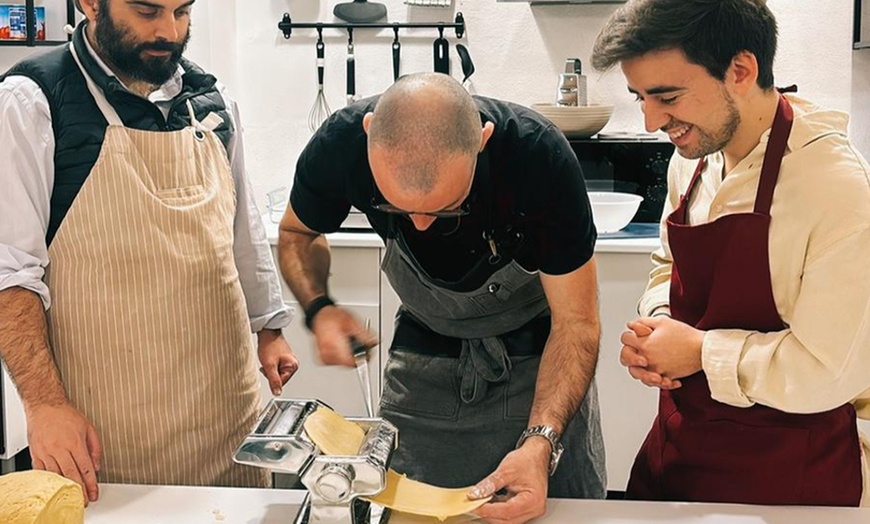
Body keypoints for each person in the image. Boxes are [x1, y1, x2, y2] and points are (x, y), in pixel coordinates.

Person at [0, 0, 300, 505]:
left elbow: (241, 229)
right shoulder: (31, 103)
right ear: (90, 4)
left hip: (226, 422)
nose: (170, 30)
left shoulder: (212, 99)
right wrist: (44, 404)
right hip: (112, 440)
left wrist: (270, 328)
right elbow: (10, 272)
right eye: (147, 10)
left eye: (183, 11)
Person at [277, 72, 606, 522]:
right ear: (369, 132)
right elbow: (297, 232)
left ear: (483, 141)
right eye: (397, 208)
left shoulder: (536, 155)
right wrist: (319, 307)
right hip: (425, 357)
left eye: (446, 208)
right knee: (411, 508)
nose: (421, 226)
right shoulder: (341, 143)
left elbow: (577, 323)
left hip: (538, 361)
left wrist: (540, 442)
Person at [591, 0, 870, 507]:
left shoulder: (834, 188)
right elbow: (667, 264)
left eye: (667, 96)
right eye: (640, 98)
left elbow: (828, 371)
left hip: (790, 478)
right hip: (677, 455)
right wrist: (657, 327)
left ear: (741, 70)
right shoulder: (692, 161)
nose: (652, 122)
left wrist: (698, 352)